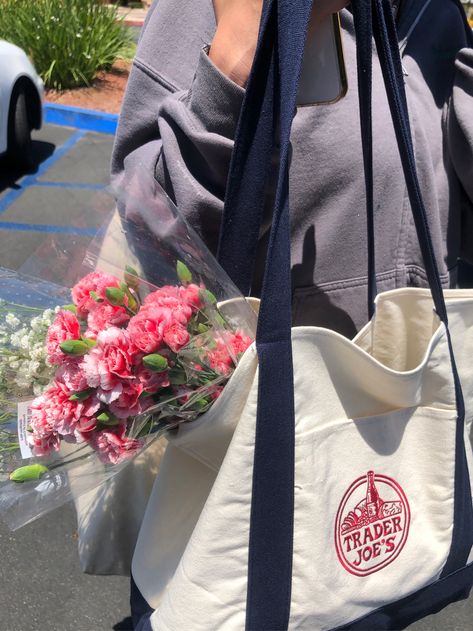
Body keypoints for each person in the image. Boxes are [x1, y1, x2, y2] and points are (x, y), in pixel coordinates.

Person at [107, 0, 473, 626]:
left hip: (399, 452)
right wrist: (240, 51)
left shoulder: (433, 13)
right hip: (258, 468)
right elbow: (154, 233)